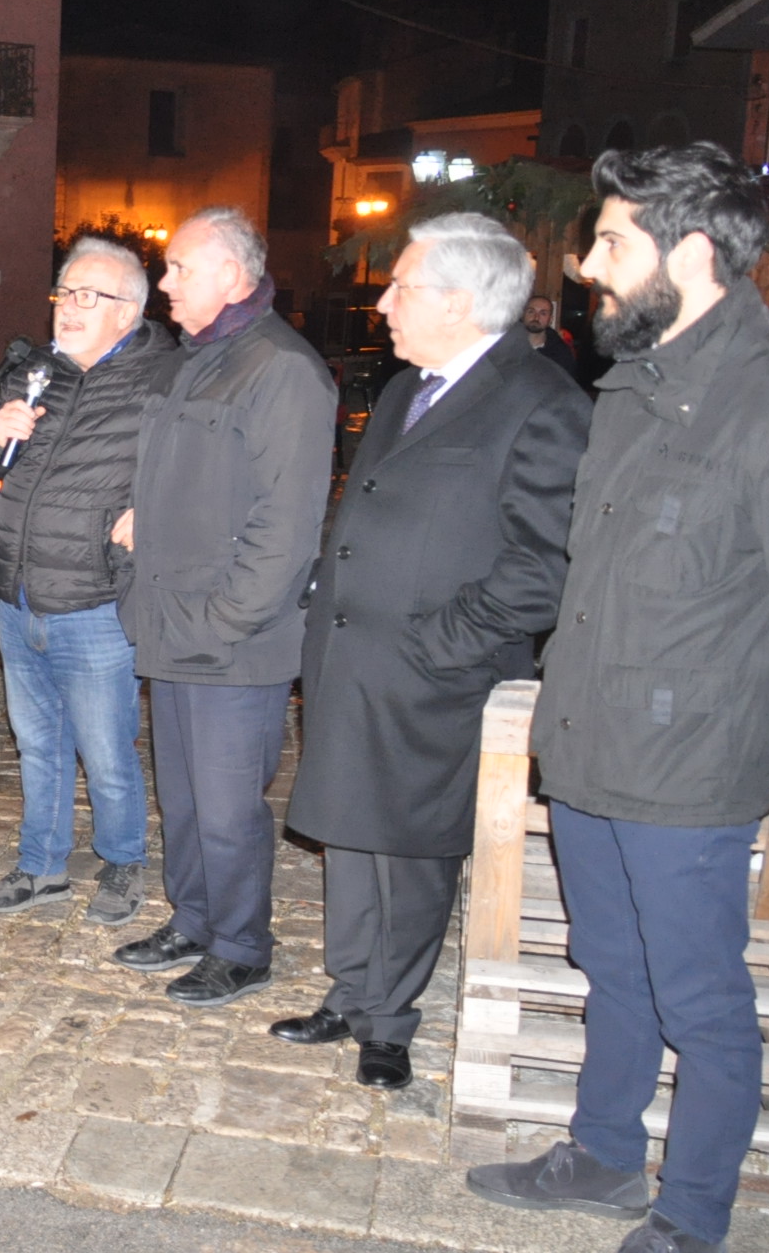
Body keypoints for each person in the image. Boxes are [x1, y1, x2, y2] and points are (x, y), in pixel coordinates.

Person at [467, 143, 769, 1253]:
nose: (585, 263)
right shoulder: (629, 391)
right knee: (611, 968)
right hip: (590, 751)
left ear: (689, 253)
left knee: (701, 1001)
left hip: (693, 775)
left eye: (610, 242)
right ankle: (604, 1154)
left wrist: (756, 762)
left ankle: (691, 1215)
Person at [280, 214, 589, 1088]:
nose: (383, 304)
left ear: (457, 301)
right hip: (352, 657)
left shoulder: (542, 403)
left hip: (436, 674)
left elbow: (545, 566)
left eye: (401, 287)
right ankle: (351, 990)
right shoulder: (408, 389)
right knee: (349, 832)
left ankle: (391, 1020)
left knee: (412, 852)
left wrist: (438, 645)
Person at [110, 206, 335, 1006]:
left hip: (232, 638)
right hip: (171, 621)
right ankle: (195, 919)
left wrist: (223, 622)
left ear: (233, 277)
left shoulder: (282, 370)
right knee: (183, 797)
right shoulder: (193, 360)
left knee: (228, 807)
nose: (164, 281)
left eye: (180, 268)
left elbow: (286, 526)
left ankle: (242, 945)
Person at [0, 237, 176, 926]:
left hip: (94, 600)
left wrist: (158, 510)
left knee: (106, 750)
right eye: (65, 292)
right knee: (37, 743)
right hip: (19, 591)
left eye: (91, 295)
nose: (70, 306)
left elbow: (205, 467)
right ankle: (41, 866)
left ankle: (123, 862)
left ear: (129, 310)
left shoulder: (164, 378)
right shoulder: (35, 369)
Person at [522, 293, 580, 379]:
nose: (536, 317)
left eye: (543, 313)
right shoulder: (507, 346)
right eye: (531, 311)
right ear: (523, 315)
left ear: (551, 319)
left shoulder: (561, 354)